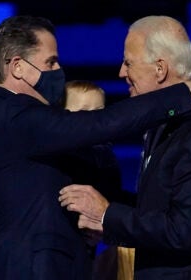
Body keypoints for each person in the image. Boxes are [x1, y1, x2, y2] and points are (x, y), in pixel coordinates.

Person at [0, 14, 191, 280]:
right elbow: (100, 124)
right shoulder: (11, 116)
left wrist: (105, 215)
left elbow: (167, 215)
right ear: (17, 67)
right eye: (51, 62)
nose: (59, 71)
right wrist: (184, 92)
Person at [59, 15, 191, 280]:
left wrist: (106, 213)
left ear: (160, 69)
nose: (121, 72)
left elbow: (182, 231)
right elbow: (158, 209)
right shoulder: (169, 125)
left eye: (128, 63)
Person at [62, 80, 129, 279]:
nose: (92, 119)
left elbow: (112, 197)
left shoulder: (105, 156)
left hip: (90, 250)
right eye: (83, 111)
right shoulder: (60, 154)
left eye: (99, 111)